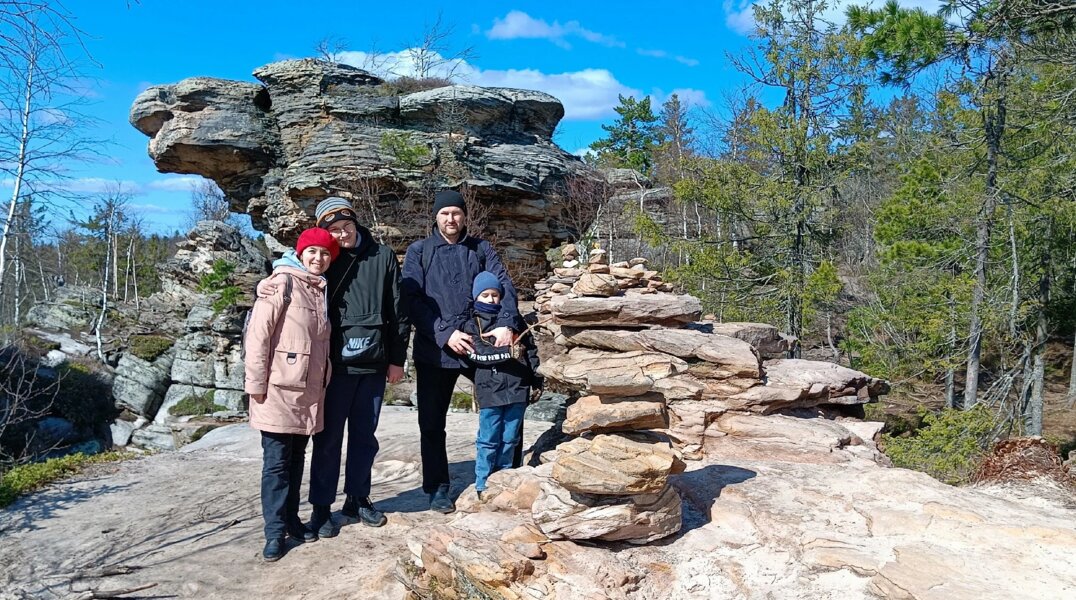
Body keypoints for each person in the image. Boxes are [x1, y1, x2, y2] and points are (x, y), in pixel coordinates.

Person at [259, 196, 410, 538]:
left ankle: (358, 499)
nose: (342, 235)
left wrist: (397, 359)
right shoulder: (327, 259)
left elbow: (398, 309)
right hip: (332, 367)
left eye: (347, 227)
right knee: (327, 441)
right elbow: (292, 274)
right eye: (334, 230)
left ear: (356, 223)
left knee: (364, 438)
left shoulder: (382, 256)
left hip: (372, 365)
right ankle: (322, 508)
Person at [402, 189, 522, 514]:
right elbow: (411, 300)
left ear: (464, 216)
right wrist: (444, 332)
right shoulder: (419, 252)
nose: (451, 219)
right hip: (436, 350)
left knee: (507, 401)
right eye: (444, 214)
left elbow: (505, 286)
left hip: (481, 345)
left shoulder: (481, 249)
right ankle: (438, 488)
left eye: (456, 213)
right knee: (431, 423)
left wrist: (506, 323)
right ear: (436, 217)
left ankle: (508, 473)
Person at [244, 228, 338, 562]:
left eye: (325, 253)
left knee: (296, 460)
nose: (318, 258)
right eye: (312, 251)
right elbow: (258, 336)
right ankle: (273, 533)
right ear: (300, 253)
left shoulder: (319, 289)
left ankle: (291, 520)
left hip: (307, 393)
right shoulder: (282, 282)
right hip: (277, 390)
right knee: (276, 464)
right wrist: (255, 385)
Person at [462, 272, 542, 498]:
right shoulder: (471, 324)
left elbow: (531, 352)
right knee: (488, 439)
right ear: (477, 296)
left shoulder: (515, 321)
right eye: (485, 295)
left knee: (510, 438)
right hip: (490, 391)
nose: (490, 299)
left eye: (495, 295)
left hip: (517, 388)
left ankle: (504, 477)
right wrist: (509, 353)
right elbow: (477, 356)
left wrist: (536, 378)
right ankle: (482, 482)